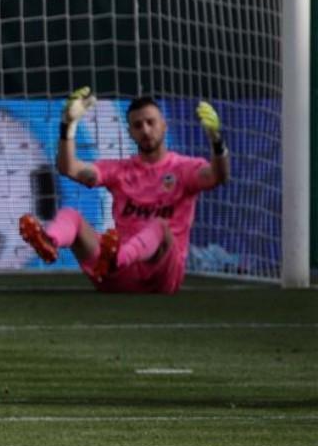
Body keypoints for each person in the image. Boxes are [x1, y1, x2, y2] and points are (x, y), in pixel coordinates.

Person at [19, 87, 231, 293]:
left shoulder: (184, 168)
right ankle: (49, 241)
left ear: (164, 125)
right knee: (70, 215)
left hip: (162, 276)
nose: (146, 130)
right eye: (138, 126)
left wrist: (217, 142)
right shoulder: (120, 171)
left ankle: (116, 260)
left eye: (151, 122)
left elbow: (218, 176)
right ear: (130, 133)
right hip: (117, 277)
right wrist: (68, 126)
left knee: (159, 226)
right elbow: (69, 168)